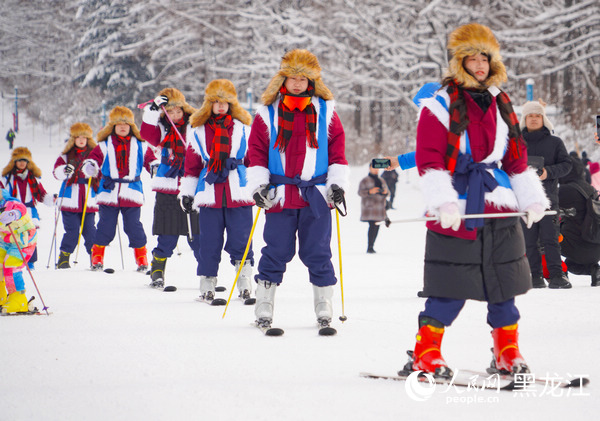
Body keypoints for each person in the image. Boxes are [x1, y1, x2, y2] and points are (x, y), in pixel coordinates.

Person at [404, 23, 549, 378]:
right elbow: (429, 159)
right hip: (459, 202)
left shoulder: (502, 101)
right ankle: (426, 352)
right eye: (471, 58)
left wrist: (531, 198)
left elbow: (515, 156)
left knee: (505, 283)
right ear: (459, 62)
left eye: (485, 57)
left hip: (499, 205)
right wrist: (445, 202)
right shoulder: (439, 105)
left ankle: (507, 350)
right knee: (449, 284)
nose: (480, 64)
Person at [247, 49, 349, 330]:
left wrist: (337, 184)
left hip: (315, 196)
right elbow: (255, 153)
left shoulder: (326, 112)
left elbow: (338, 153)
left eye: (303, 79)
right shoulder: (267, 114)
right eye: (292, 77)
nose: (296, 83)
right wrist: (259, 185)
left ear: (312, 82)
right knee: (276, 250)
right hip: (280, 196)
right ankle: (264, 305)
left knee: (318, 251)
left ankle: (323, 306)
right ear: (282, 79)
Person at [179, 80, 255, 303]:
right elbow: (192, 166)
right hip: (210, 192)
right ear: (209, 104)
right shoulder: (198, 131)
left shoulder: (244, 129)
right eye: (216, 102)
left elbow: (254, 161)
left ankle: (244, 282)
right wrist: (187, 192)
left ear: (232, 104)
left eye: (226, 102)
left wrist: (261, 185)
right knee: (209, 241)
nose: (221, 106)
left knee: (242, 239)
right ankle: (207, 283)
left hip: (238, 192)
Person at [140, 87, 202, 289]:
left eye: (178, 111)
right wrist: (152, 110)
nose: (175, 115)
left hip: (191, 186)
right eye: (171, 111)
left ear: (184, 110)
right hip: (167, 186)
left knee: (197, 236)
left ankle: (207, 275)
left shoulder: (195, 126)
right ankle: (157, 271)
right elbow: (146, 133)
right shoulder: (161, 129)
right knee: (167, 236)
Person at [83, 106, 150, 272]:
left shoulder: (139, 145)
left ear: (131, 126)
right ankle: (97, 255)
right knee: (106, 225)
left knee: (134, 226)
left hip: (131, 191)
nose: (122, 126)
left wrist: (154, 166)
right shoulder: (104, 145)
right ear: (112, 126)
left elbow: (150, 159)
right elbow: (93, 159)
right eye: (119, 123)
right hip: (109, 191)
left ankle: (141, 257)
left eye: (126, 124)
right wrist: (90, 166)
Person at [520, 100, 572, 289]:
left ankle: (557, 276)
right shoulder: (516, 142)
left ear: (543, 118)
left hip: (549, 199)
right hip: (524, 200)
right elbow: (506, 166)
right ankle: (535, 277)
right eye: (530, 116)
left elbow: (567, 165)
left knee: (551, 239)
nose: (534, 119)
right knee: (529, 241)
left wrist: (547, 172)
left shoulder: (555, 142)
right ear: (524, 119)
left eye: (537, 116)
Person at [52, 123, 100, 269]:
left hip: (88, 196)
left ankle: (95, 258)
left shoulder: (94, 154)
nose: (81, 140)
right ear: (73, 139)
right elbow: (56, 172)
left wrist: (95, 171)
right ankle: (64, 257)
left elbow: (101, 171)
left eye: (84, 137)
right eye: (78, 137)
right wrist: (64, 170)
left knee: (90, 230)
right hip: (70, 196)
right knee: (72, 230)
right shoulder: (66, 155)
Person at [2, 147, 54, 270]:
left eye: (24, 160)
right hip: (13, 211)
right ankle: (12, 261)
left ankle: (30, 262)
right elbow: (2, 194)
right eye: (19, 160)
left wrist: (51, 199)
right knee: (14, 236)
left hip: (30, 211)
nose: (22, 163)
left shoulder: (33, 178)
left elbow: (42, 194)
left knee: (30, 236)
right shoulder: (7, 178)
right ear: (14, 162)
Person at [558, 156, 600, 286]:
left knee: (545, 234)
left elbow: (547, 208)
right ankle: (596, 270)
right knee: (571, 264)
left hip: (574, 247)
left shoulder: (564, 190)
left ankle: (557, 272)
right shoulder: (590, 189)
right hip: (596, 247)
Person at [0, 189, 36, 313]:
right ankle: (2, 296)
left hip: (23, 240)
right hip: (6, 240)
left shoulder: (10, 203)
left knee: (11, 264)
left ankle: (18, 299)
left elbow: (21, 209)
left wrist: (12, 214)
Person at [358, 164, 389, 253]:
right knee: (373, 225)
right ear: (369, 168)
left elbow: (387, 193)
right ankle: (370, 247)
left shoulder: (381, 180)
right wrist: (369, 191)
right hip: (369, 207)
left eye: (377, 168)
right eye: (374, 168)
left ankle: (371, 246)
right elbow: (360, 192)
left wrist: (385, 192)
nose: (376, 170)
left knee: (376, 226)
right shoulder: (365, 180)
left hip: (380, 207)